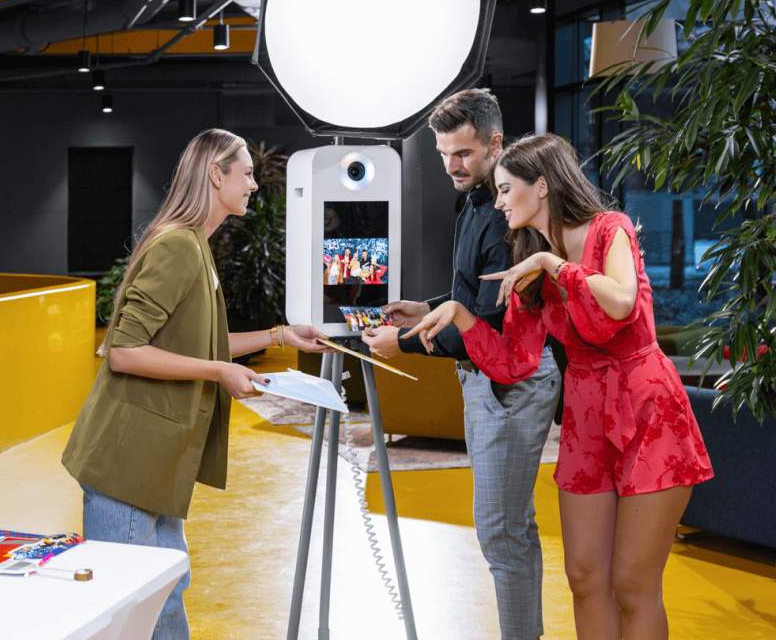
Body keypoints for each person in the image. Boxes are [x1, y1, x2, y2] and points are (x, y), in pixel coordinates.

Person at [406, 133, 713, 640]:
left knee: (634, 583)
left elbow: (619, 302)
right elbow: (514, 362)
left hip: (649, 412)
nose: (498, 201)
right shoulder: (528, 258)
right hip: (586, 419)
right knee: (585, 577)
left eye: (506, 190)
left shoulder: (608, 230)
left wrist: (554, 266)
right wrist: (461, 315)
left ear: (541, 187)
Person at [61, 129, 331, 639]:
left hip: (157, 461)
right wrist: (218, 372)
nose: (254, 184)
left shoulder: (196, 246)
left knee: (165, 595)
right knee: (129, 607)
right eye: (246, 173)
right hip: (127, 464)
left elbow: (201, 341)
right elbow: (122, 350)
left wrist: (278, 334)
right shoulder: (179, 247)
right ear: (215, 174)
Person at [363, 89, 561, 640]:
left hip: (510, 385)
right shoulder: (475, 202)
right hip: (487, 381)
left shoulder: (507, 219)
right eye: (444, 153)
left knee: (502, 533)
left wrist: (403, 342)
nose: (451, 165)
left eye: (464, 154)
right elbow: (473, 301)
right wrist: (427, 308)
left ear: (496, 144)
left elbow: (492, 331)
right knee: (506, 529)